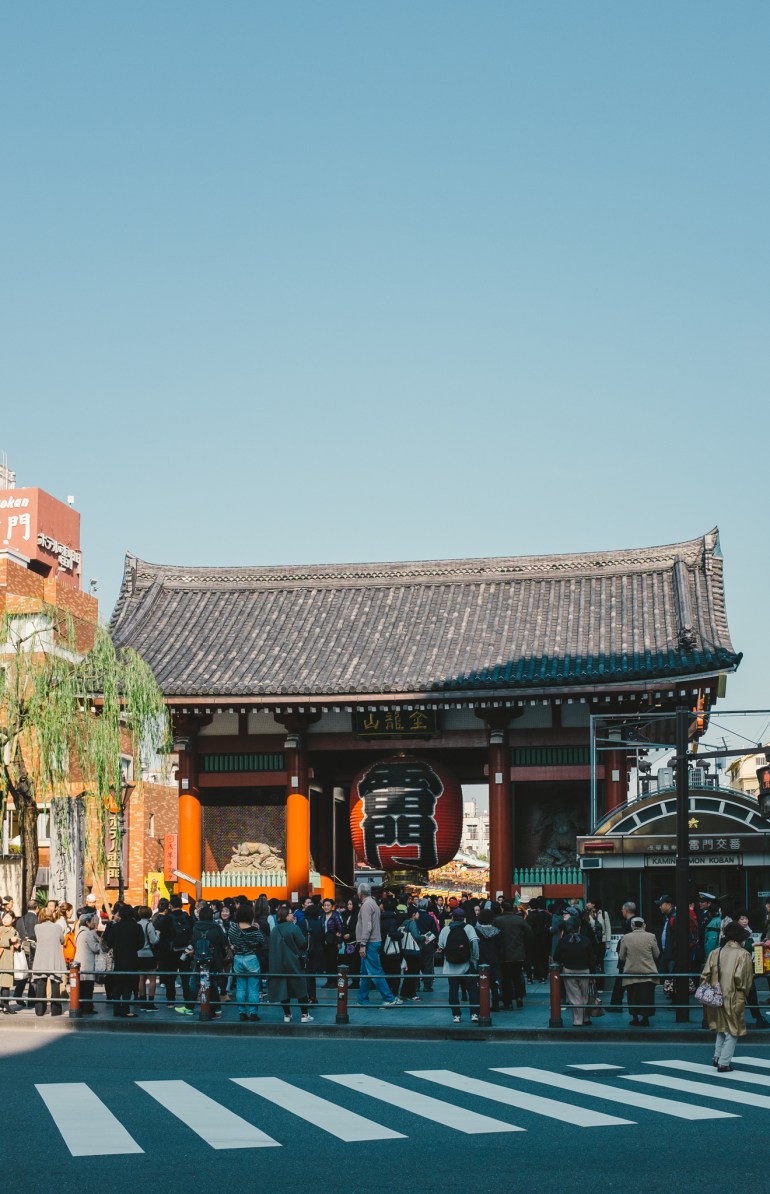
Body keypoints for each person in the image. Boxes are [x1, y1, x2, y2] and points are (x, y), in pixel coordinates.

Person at [701, 919, 755, 1072]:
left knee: (721, 1028)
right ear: (739, 938)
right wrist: (744, 993)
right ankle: (724, 1063)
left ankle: (717, 1057)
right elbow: (743, 981)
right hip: (733, 996)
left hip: (715, 996)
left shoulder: (715, 952)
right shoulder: (743, 954)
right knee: (733, 1031)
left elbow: (705, 975)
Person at [356, 883, 402, 1008]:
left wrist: (363, 943)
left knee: (375, 972)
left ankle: (389, 997)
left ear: (360, 893)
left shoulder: (366, 905)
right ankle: (362, 998)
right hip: (374, 941)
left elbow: (367, 926)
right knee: (365, 973)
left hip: (369, 942)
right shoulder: (374, 904)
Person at [268, 906, 312, 1023]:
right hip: (294, 962)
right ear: (286, 916)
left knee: (284, 990)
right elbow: (302, 943)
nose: (293, 915)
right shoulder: (294, 928)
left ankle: (287, 1015)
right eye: (291, 913)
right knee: (300, 988)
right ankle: (304, 1015)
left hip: (279, 964)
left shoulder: (274, 930)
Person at [553, 916, 598, 1027]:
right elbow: (592, 958)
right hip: (585, 971)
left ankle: (578, 1020)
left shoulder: (563, 941)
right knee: (585, 995)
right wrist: (593, 974)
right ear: (579, 928)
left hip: (569, 970)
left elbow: (556, 957)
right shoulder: (585, 940)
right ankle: (586, 1018)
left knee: (574, 997)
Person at [438, 907, 480, 1023]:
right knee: (472, 990)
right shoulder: (469, 928)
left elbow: (441, 945)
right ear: (464, 918)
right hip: (466, 965)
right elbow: (475, 942)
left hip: (450, 966)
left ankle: (456, 1015)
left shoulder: (446, 929)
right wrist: (474, 958)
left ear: (452, 917)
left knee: (453, 991)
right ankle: (474, 1014)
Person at [103, 903, 144, 1017]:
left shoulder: (116, 927)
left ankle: (116, 1009)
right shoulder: (137, 927)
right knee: (128, 985)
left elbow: (109, 942)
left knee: (117, 984)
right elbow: (141, 943)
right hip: (131, 958)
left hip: (118, 958)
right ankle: (125, 1009)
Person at [617, 916, 660, 1027]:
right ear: (644, 925)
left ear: (632, 925)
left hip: (631, 972)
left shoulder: (626, 937)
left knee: (633, 997)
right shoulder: (651, 936)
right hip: (648, 972)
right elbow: (657, 954)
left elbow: (622, 957)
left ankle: (634, 1018)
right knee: (647, 997)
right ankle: (645, 1018)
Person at [190, 905, 229, 1016]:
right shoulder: (216, 927)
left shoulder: (196, 927)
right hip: (214, 959)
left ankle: (209, 1008)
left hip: (200, 958)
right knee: (212, 982)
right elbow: (223, 942)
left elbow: (193, 941)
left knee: (202, 982)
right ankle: (214, 1008)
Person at [495, 900, 532, 1009]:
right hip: (518, 953)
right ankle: (519, 996)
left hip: (504, 954)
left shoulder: (497, 920)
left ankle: (508, 1002)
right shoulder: (519, 919)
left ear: (502, 908)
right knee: (517, 976)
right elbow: (529, 933)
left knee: (505, 979)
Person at [229, 907, 264, 1021]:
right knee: (253, 988)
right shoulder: (254, 930)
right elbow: (261, 941)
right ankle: (253, 1013)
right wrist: (256, 928)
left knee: (240, 988)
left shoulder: (233, 928)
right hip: (251, 958)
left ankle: (242, 1013)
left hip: (238, 958)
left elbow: (231, 940)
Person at [31, 906, 66, 1016]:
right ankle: (55, 1010)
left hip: (41, 959)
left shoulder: (37, 927)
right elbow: (62, 940)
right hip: (54, 958)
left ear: (41, 916)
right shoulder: (57, 927)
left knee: (41, 984)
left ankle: (40, 1010)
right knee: (55, 984)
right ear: (52, 916)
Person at [74, 911, 102, 1014]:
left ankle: (82, 1006)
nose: (93, 923)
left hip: (80, 962)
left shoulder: (79, 933)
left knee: (82, 988)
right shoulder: (87, 934)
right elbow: (95, 948)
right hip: (87, 964)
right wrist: (100, 943)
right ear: (87, 923)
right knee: (88, 988)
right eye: (91, 922)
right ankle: (87, 1008)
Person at [0, 909, 21, 1013]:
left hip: (9, 960)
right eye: (4, 917)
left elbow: (19, 943)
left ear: (13, 919)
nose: (5, 919)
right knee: (3, 983)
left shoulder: (15, 931)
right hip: (1, 958)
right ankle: (4, 1006)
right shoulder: (1, 929)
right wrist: (9, 941)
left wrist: (18, 945)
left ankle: (4, 1006)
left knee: (6, 984)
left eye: (8, 917)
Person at [320, 898, 344, 987]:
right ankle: (329, 981)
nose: (326, 907)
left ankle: (334, 981)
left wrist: (339, 942)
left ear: (332, 906)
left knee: (333, 962)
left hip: (333, 941)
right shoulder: (322, 916)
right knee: (326, 962)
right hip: (325, 941)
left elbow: (340, 928)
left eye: (328, 905)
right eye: (325, 905)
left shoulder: (335, 915)